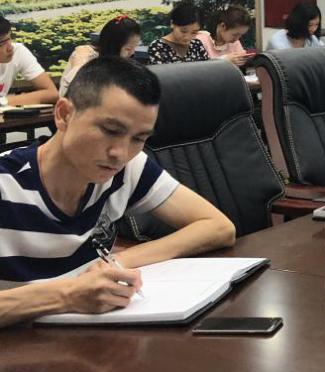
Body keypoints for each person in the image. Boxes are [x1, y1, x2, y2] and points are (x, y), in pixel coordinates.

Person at [0, 57, 236, 327]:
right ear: (64, 114)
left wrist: (119, 261)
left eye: (139, 139)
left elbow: (219, 227)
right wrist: (67, 295)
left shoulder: (127, 169)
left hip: (92, 340)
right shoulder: (5, 184)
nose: (121, 154)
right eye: (110, 131)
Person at [59, 15, 142, 96]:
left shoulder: (120, 62)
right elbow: (76, 88)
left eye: (135, 47)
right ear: (113, 45)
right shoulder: (85, 55)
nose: (132, 52)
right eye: (128, 49)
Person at [0, 15, 58, 107]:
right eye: (2, 43)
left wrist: (4, 101)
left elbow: (52, 94)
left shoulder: (18, 51)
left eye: (9, 38)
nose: (10, 47)